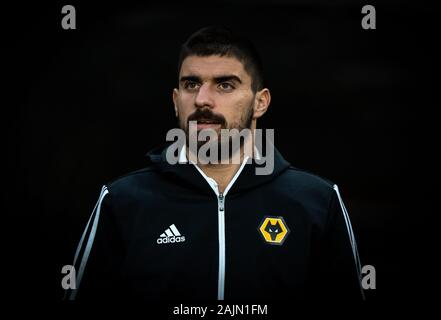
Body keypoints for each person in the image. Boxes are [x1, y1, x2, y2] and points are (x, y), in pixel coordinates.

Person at [65, 26, 365, 302]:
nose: (202, 100)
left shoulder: (317, 201)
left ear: (260, 102)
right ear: (175, 99)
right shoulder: (123, 201)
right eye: (191, 84)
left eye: (224, 85)